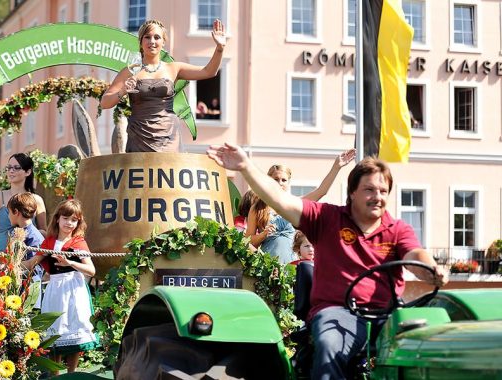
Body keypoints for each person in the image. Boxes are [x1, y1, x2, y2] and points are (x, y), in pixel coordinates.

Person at [207, 143, 448, 379]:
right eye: (369, 190)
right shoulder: (326, 218)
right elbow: (281, 201)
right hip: (338, 311)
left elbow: (415, 255)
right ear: (352, 192)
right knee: (331, 342)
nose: (378, 197)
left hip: (387, 314)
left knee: (427, 346)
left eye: (383, 191)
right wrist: (245, 166)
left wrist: (431, 270)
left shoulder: (397, 229)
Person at [100, 19, 226, 152]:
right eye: (147, 37)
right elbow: (104, 103)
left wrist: (220, 48)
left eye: (157, 37)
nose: (152, 41)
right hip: (139, 139)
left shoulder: (174, 68)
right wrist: (123, 91)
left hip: (168, 138)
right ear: (141, 42)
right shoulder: (129, 71)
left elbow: (209, 71)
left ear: (163, 42)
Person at [22, 200, 98, 374]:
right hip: (55, 289)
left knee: (73, 332)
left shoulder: (78, 243)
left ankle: (71, 374)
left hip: (74, 289)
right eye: (65, 218)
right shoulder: (49, 243)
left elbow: (91, 270)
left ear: (78, 222)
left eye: (74, 220)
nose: (69, 223)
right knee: (54, 334)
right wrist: (11, 262)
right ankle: (55, 375)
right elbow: (32, 263)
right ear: (57, 219)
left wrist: (69, 262)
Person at [246, 149, 355, 264]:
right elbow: (248, 242)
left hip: (293, 266)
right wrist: (263, 235)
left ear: (288, 183)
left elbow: (321, 191)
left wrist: (336, 167)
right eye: (276, 179)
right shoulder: (258, 208)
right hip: (268, 267)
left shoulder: (294, 203)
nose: (280, 183)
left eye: (284, 180)